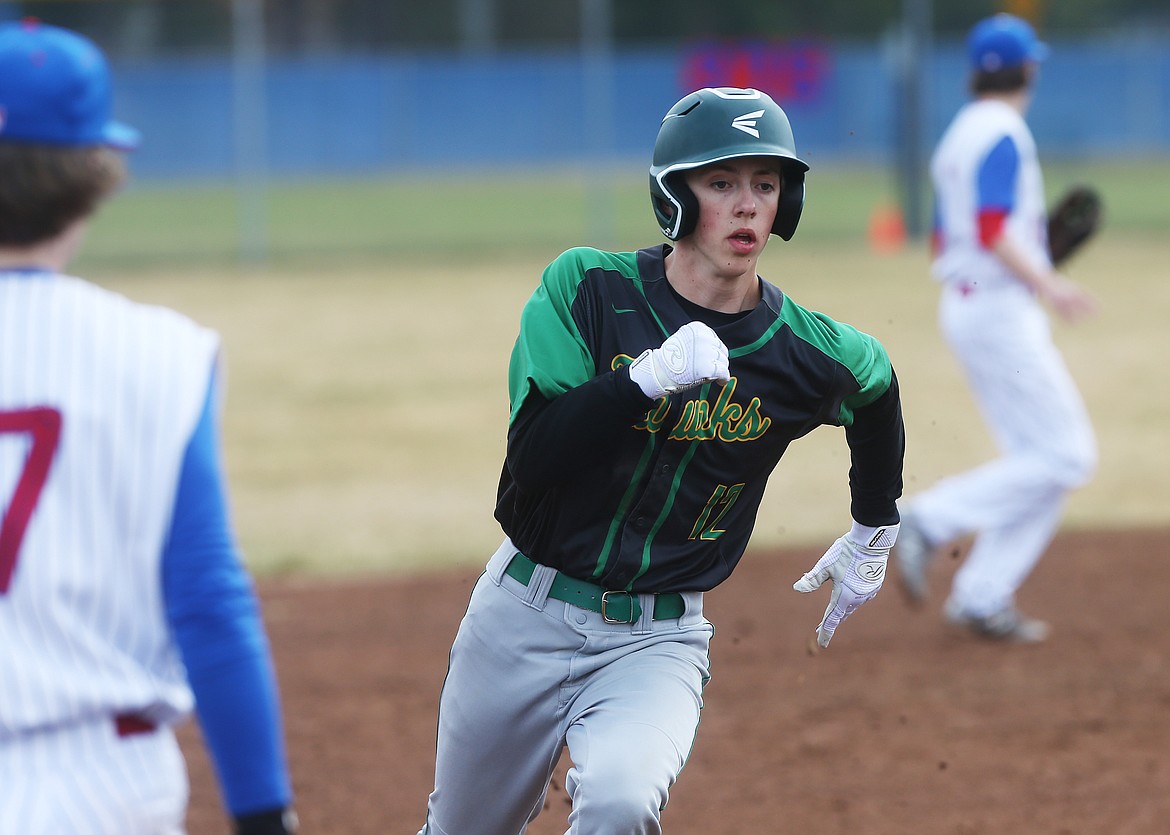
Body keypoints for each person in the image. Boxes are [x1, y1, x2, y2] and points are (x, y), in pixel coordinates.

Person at [417, 86, 905, 835]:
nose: (747, 206)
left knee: (620, 801)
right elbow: (536, 460)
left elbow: (876, 386)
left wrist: (874, 523)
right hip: (524, 612)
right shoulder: (587, 288)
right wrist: (639, 381)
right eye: (722, 183)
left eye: (765, 185)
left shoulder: (800, 350)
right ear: (675, 196)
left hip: (658, 637)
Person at [0, 20, 297, 834]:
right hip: (95, 783)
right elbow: (205, 596)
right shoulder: (159, 352)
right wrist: (263, 813)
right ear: (94, 173)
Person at [892, 14, 1097, 642]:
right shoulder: (1005, 131)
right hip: (1001, 311)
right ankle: (927, 520)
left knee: (1043, 461)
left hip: (971, 302)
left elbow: (947, 239)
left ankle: (982, 594)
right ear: (1028, 69)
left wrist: (1031, 264)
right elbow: (988, 228)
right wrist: (1048, 281)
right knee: (1070, 455)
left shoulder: (958, 135)